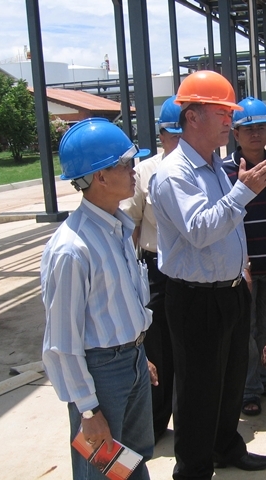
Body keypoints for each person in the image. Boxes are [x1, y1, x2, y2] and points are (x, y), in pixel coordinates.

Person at [149, 71, 266, 480]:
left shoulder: (214, 166)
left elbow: (229, 227)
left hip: (230, 290)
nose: (230, 121)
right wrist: (245, 191)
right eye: (222, 113)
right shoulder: (174, 173)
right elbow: (201, 230)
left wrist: (241, 267)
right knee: (198, 391)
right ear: (192, 117)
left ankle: (225, 446)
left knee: (230, 380)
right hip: (196, 298)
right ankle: (193, 469)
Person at [41, 118, 156, 479]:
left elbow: (121, 303)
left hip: (131, 361)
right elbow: (62, 342)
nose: (134, 170)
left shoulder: (118, 227)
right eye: (126, 164)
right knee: (102, 469)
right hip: (101, 372)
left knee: (132, 461)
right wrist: (88, 411)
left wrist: (139, 356)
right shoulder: (72, 249)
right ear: (101, 177)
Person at [222, 97, 266, 416]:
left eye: (262, 127)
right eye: (248, 128)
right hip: (244, 269)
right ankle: (248, 389)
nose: (256, 133)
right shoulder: (224, 170)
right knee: (246, 332)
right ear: (235, 133)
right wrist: (240, 263)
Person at [119, 95, 181, 443]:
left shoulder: (206, 169)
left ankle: (191, 419)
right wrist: (130, 273)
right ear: (161, 135)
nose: (180, 143)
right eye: (173, 136)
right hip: (157, 268)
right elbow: (131, 225)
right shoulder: (145, 172)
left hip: (193, 270)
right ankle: (156, 423)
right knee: (159, 349)